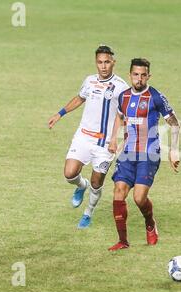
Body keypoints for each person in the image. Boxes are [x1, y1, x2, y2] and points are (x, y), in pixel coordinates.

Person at [48, 45, 129, 229]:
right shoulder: (89, 81)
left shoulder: (121, 87)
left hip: (105, 142)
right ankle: (81, 186)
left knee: (97, 181)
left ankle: (88, 213)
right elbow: (79, 98)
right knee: (69, 174)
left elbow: (123, 115)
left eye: (107, 62)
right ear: (96, 63)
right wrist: (59, 114)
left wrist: (116, 139)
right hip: (83, 136)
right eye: (100, 62)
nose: (103, 66)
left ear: (113, 63)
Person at [107, 58, 180, 251]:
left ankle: (150, 222)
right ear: (130, 75)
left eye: (143, 75)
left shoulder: (155, 96)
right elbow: (121, 117)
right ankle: (123, 241)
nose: (139, 79)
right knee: (118, 192)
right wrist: (115, 139)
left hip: (149, 154)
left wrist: (173, 150)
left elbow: (174, 123)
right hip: (128, 154)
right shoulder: (123, 97)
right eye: (135, 74)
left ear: (148, 76)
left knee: (139, 198)